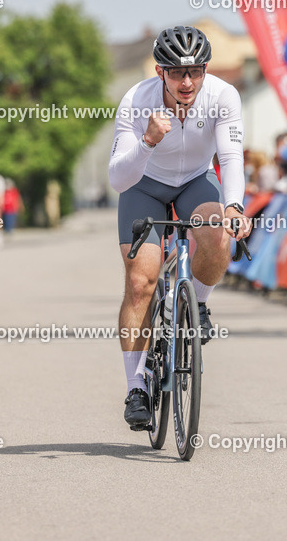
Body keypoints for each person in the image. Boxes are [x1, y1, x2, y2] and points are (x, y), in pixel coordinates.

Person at [108, 25, 250, 429]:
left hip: (194, 180)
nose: (187, 82)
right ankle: (136, 386)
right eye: (176, 73)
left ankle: (199, 302)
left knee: (216, 233)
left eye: (196, 71)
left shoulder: (223, 96)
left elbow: (232, 157)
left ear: (205, 71)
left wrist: (235, 206)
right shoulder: (136, 100)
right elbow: (118, 179)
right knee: (141, 284)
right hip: (143, 185)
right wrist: (148, 142)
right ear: (160, 71)